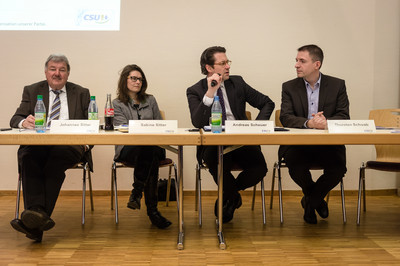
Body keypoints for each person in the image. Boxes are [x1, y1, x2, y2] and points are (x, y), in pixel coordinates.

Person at [187, 46, 275, 223]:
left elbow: (267, 103)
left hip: (241, 141)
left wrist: (256, 127)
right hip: (214, 144)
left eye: (228, 62)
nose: (228, 66)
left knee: (260, 169)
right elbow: (197, 122)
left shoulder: (238, 83)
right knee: (215, 162)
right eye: (222, 63)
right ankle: (232, 196)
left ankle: (229, 195)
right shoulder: (195, 90)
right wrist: (211, 92)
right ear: (209, 68)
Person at [10, 54, 92, 242]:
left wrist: (86, 144)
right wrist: (25, 122)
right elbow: (15, 119)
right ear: (46, 72)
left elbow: (92, 123)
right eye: (53, 69)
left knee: (55, 161)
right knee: (29, 158)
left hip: (69, 145)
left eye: (62, 70)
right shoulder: (32, 90)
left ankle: (32, 218)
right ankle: (38, 219)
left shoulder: (81, 93)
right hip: (38, 144)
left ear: (68, 74)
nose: (57, 73)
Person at [279, 44, 350, 224]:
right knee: (296, 166)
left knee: (338, 168)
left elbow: (344, 115)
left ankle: (311, 201)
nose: (296, 65)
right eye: (296, 60)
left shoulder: (337, 85)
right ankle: (316, 199)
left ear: (316, 64)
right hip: (298, 145)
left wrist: (326, 123)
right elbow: (286, 117)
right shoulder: (289, 87)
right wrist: (309, 123)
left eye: (302, 61)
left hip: (328, 144)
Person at [113, 64, 172, 229]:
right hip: (128, 149)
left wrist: (146, 133)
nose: (137, 82)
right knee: (149, 153)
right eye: (133, 78)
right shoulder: (117, 104)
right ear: (125, 80)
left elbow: (160, 126)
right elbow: (121, 128)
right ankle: (152, 212)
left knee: (149, 149)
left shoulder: (150, 99)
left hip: (153, 146)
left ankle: (137, 193)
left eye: (140, 79)